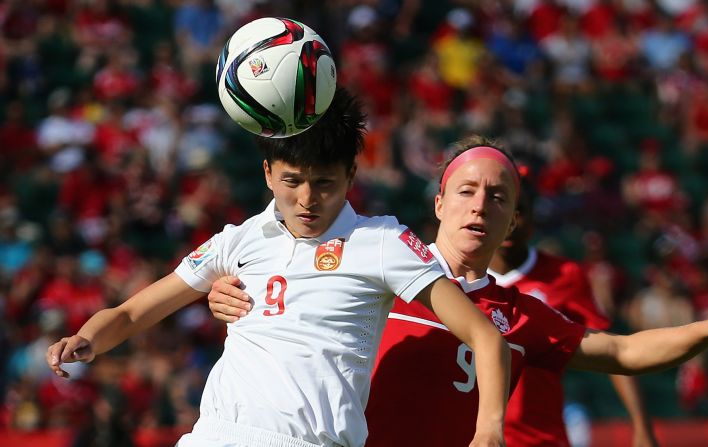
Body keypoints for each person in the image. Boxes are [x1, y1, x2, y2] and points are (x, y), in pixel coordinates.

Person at [206, 139, 708, 446]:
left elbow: (623, 353)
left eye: (498, 197)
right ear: (438, 203)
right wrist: (226, 293)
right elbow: (284, 277)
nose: (481, 205)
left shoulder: (518, 316)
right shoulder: (374, 266)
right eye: (467, 191)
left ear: (512, 222)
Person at [46, 89, 512, 447]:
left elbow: (487, 337)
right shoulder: (240, 239)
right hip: (217, 434)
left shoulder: (384, 242)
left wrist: (489, 431)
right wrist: (87, 337)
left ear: (352, 174)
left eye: (325, 184)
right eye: (292, 181)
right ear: (268, 173)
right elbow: (133, 313)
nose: (307, 200)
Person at [487, 192, 659, 447]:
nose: (513, 220)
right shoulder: (458, 280)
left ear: (533, 218)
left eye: (520, 210)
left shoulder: (565, 276)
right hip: (476, 436)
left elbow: (612, 350)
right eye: (501, 207)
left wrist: (642, 427)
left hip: (542, 437)